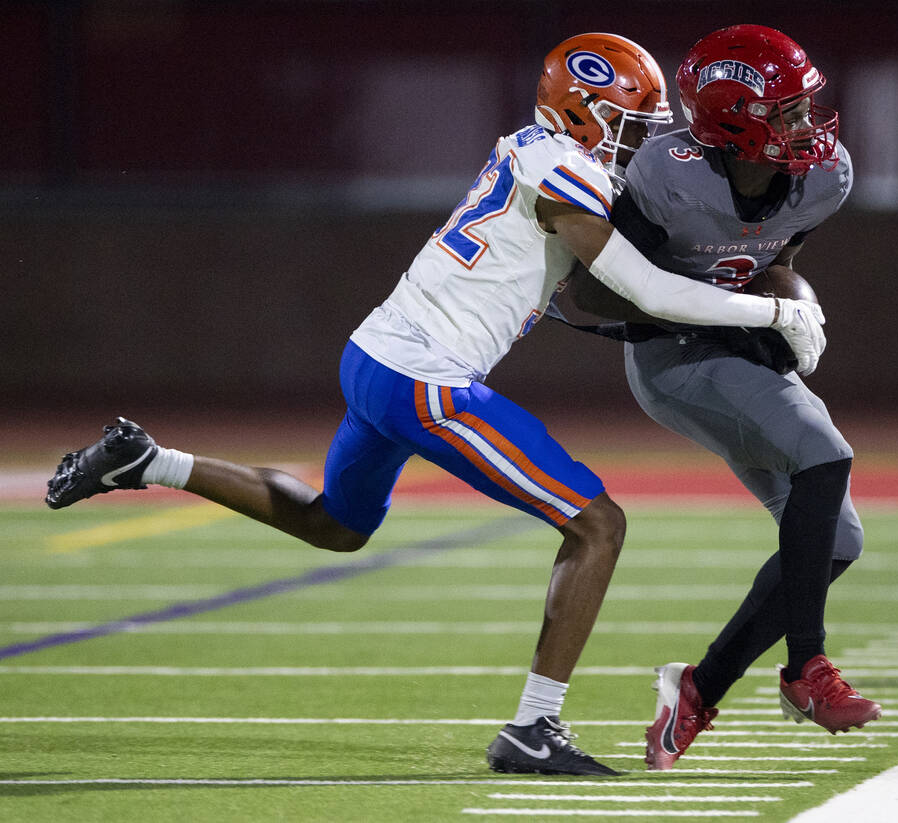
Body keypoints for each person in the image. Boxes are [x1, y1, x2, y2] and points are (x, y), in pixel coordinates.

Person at [43, 32, 827, 777]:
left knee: (337, 524)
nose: (638, 143)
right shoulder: (568, 173)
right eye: (629, 125)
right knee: (598, 523)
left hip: (374, 356)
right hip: (427, 376)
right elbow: (644, 287)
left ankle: (151, 459)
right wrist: (775, 311)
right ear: (583, 113)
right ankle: (535, 727)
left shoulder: (534, 150)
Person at [557, 24, 882, 771]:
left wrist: (783, 305)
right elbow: (599, 293)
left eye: (806, 108)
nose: (808, 127)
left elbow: (771, 256)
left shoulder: (824, 176)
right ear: (734, 121)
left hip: (735, 346)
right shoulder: (669, 175)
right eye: (787, 112)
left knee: (837, 540)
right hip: (671, 356)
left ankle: (697, 691)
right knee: (824, 454)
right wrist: (741, 312)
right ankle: (807, 667)